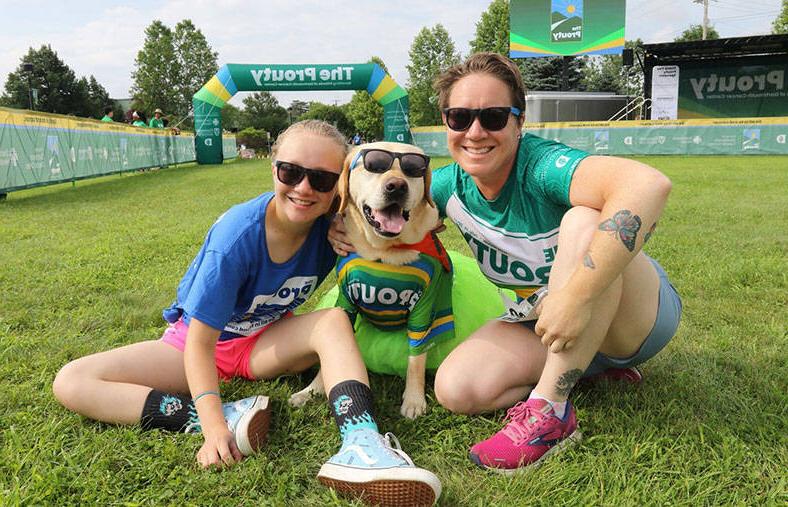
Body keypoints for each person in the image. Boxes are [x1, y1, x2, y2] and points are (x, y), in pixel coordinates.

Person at [53, 120, 441, 504]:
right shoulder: (237, 236)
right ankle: (220, 415)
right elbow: (201, 344)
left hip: (264, 343)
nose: (304, 189)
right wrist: (212, 425)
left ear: (339, 186)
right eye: (290, 172)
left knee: (333, 320)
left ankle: (363, 443)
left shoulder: (336, 226)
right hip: (195, 345)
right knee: (72, 381)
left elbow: (408, 224)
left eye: (321, 180)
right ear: (273, 169)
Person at [330, 52, 681, 473]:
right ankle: (586, 370)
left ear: (519, 122)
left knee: (584, 221)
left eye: (494, 116)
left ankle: (550, 414)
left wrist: (576, 298)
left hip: (635, 319)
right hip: (543, 320)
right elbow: (390, 218)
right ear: (446, 123)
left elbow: (649, 184)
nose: (475, 131)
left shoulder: (540, 166)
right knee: (456, 389)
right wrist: (340, 227)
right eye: (460, 117)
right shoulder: (443, 188)